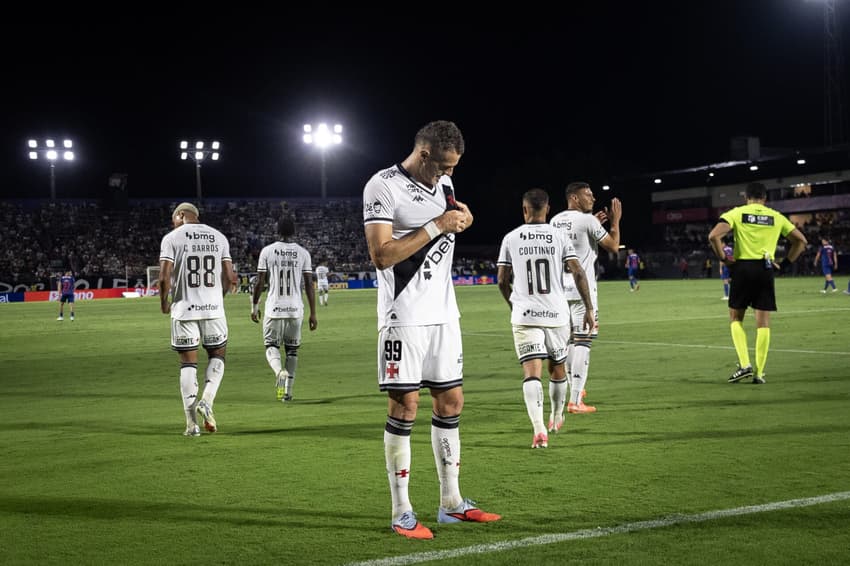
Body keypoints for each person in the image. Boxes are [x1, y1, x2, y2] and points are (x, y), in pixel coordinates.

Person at [363, 120, 500, 540]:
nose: (449, 174)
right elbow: (381, 255)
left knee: (451, 402)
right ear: (423, 154)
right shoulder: (382, 186)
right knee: (405, 408)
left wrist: (460, 217)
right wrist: (440, 225)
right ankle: (401, 510)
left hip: (444, 315)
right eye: (443, 165)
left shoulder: (442, 186)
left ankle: (451, 503)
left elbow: (446, 216)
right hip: (403, 317)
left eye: (454, 167)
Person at [497, 189, 595, 448]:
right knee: (557, 369)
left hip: (525, 314)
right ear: (548, 209)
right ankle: (556, 415)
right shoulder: (559, 236)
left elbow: (501, 280)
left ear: (524, 209)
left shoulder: (511, 238)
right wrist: (588, 308)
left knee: (531, 373)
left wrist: (513, 304)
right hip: (557, 314)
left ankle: (539, 428)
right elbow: (579, 273)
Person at [708, 182, 807, 385]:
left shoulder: (737, 213)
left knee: (736, 318)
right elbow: (801, 241)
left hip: (742, 268)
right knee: (763, 322)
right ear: (765, 198)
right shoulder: (775, 216)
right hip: (765, 269)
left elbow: (713, 236)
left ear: (747, 197)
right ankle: (759, 373)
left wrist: (725, 260)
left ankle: (744, 364)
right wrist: (786, 264)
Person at [159, 202, 237, 436]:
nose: (173, 223)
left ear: (181, 215)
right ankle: (207, 400)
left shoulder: (172, 238)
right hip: (213, 309)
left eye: (174, 219)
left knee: (188, 364)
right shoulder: (219, 237)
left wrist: (164, 302)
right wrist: (218, 297)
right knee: (218, 355)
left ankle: (191, 425)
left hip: (184, 309)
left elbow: (164, 277)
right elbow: (230, 277)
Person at [550, 182, 621, 414]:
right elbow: (612, 247)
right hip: (583, 289)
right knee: (583, 341)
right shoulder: (587, 220)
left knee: (571, 340)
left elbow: (575, 240)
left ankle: (574, 387)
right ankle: (576, 400)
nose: (592, 198)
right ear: (575, 198)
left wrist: (594, 226)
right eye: (587, 195)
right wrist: (615, 222)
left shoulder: (555, 221)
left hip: (560, 288)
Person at [251, 216, 317, 401]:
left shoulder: (268, 251)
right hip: (295, 309)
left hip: (274, 307)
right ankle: (287, 392)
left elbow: (260, 281)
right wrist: (313, 313)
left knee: (271, 345)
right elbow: (309, 285)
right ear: (294, 231)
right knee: (292, 350)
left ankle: (278, 371)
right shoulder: (303, 253)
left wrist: (255, 306)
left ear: (277, 231)